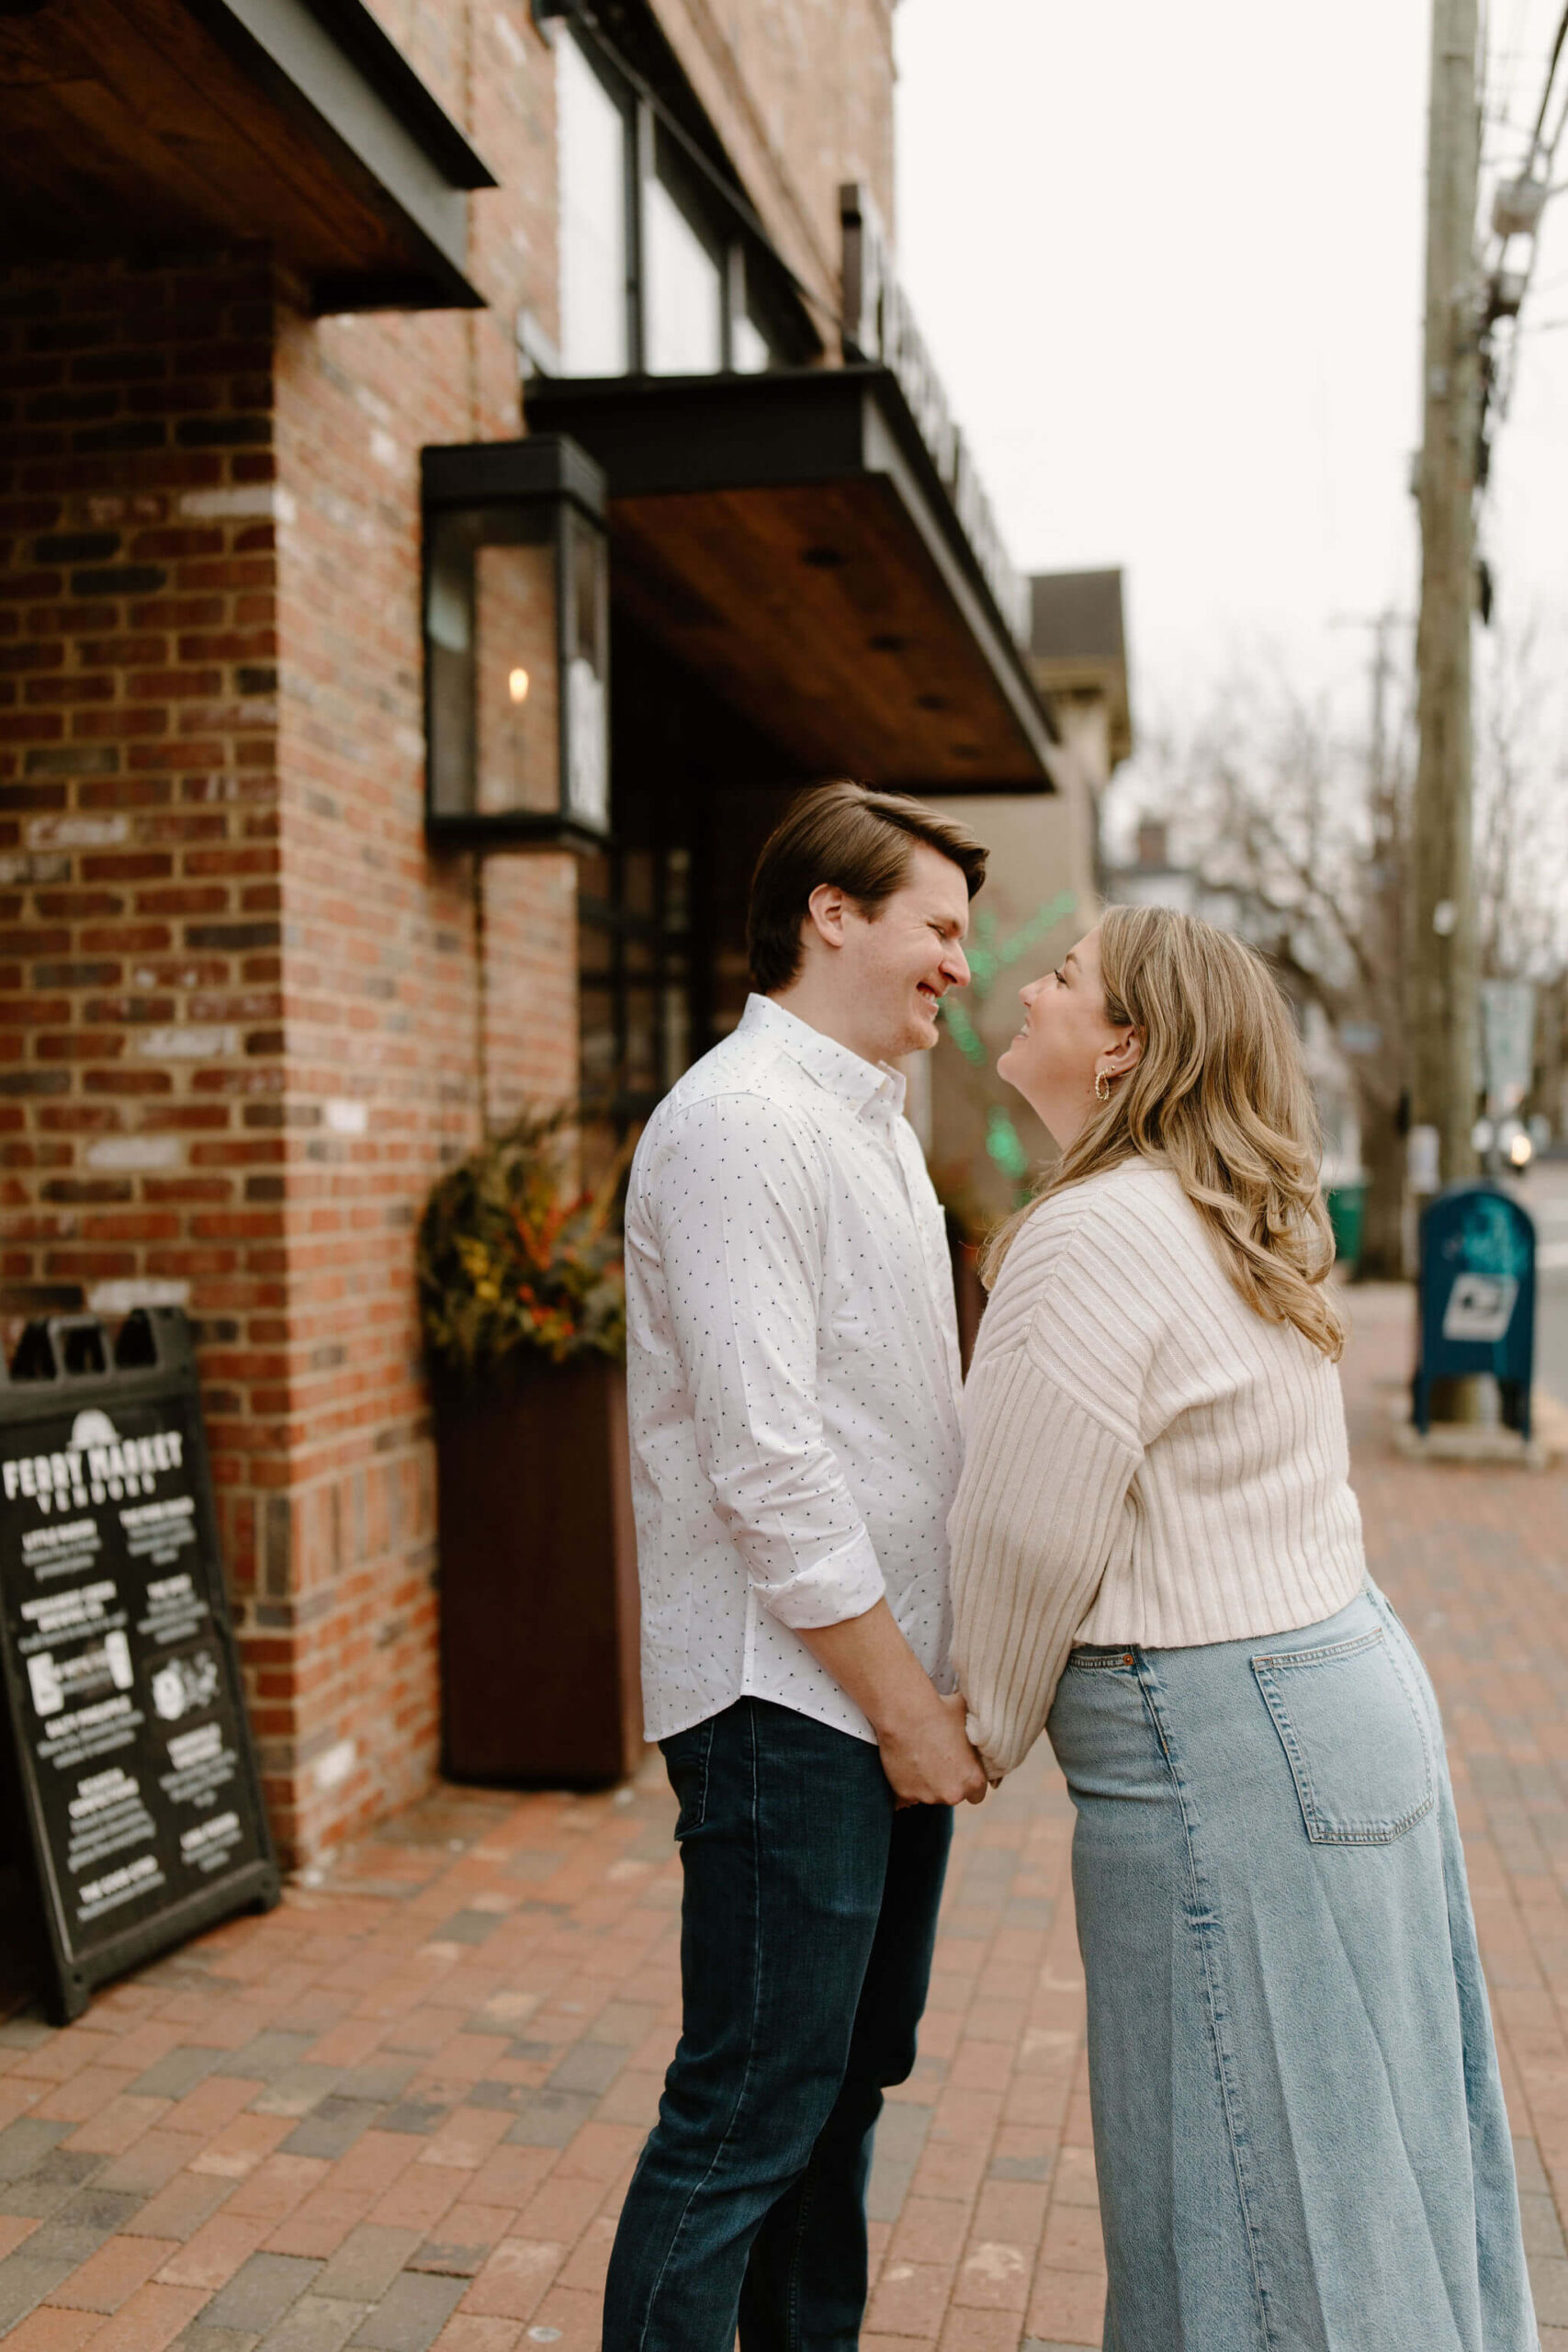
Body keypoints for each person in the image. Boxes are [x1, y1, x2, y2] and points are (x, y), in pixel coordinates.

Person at [950, 905, 1536, 2352]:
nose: (1026, 987)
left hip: (1217, 1743)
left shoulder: (1088, 1233)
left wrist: (976, 1726)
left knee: (1237, 2219)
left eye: (1066, 978)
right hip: (1341, 1689)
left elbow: (1026, 1534)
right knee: (1372, 2176)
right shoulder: (1215, 1211)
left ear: (1126, 1046)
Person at [603, 782, 991, 2352]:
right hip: (789, 1699)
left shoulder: (875, 1128)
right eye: (939, 927)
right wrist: (905, 1707)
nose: (962, 965)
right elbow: (768, 1461)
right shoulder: (735, 1126)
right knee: (749, 2111)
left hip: (876, 1695)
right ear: (833, 913)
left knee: (846, 2084)